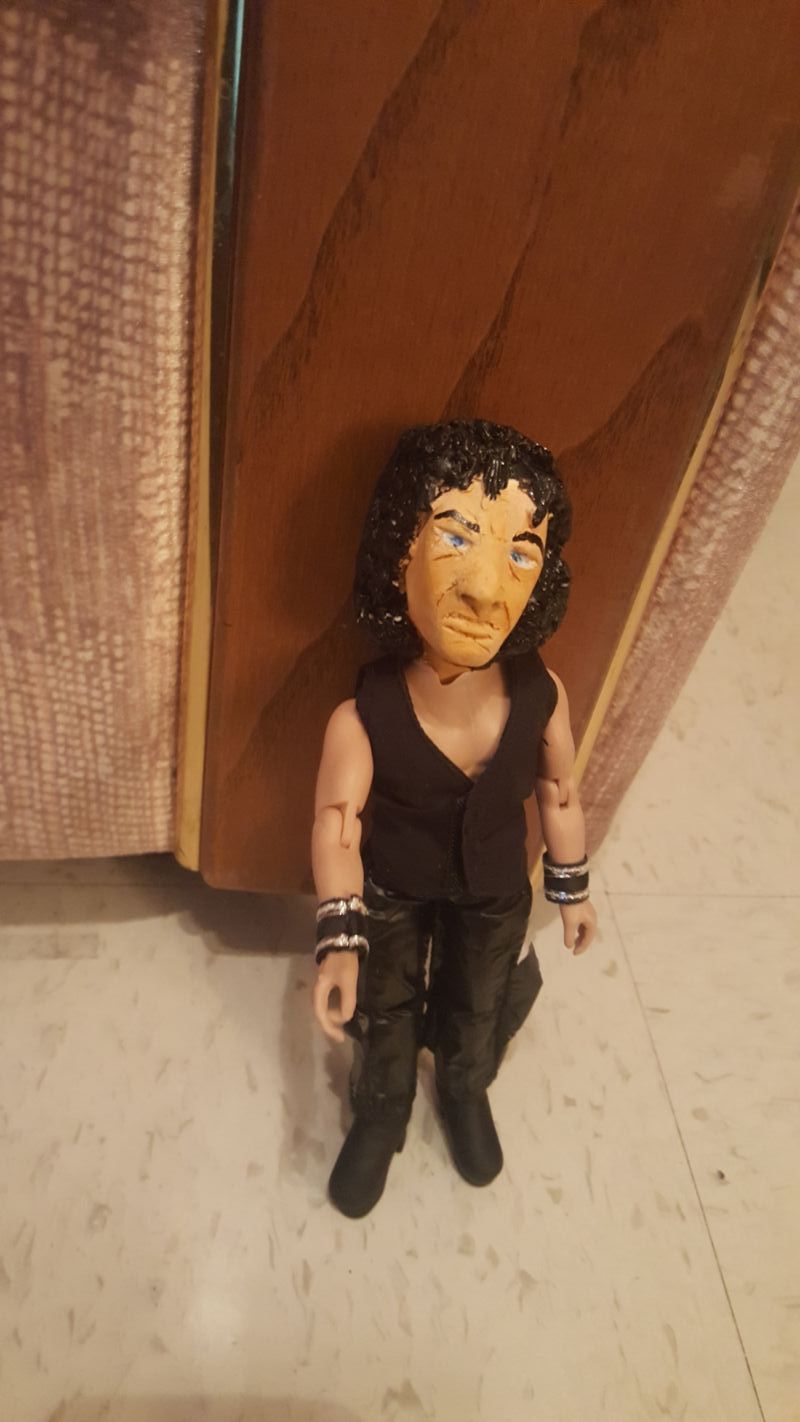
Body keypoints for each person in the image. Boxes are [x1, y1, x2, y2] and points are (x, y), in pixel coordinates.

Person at [311, 419, 596, 1218]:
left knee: (480, 997)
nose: (484, 589)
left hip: (496, 890)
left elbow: (560, 792)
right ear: (398, 550)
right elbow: (337, 824)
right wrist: (339, 940)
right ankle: (382, 1107)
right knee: (385, 1001)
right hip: (393, 888)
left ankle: (466, 1088)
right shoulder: (363, 714)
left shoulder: (542, 695)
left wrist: (571, 890)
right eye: (456, 537)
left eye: (521, 554)